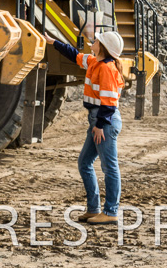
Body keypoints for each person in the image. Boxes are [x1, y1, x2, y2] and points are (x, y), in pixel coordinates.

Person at [47, 30, 125, 225]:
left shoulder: (107, 68)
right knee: (84, 163)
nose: (93, 42)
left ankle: (111, 212)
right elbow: (73, 54)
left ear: (103, 47)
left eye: (96, 40)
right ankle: (93, 209)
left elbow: (109, 102)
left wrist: (99, 125)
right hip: (98, 121)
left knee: (109, 167)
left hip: (104, 122)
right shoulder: (94, 62)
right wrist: (53, 42)